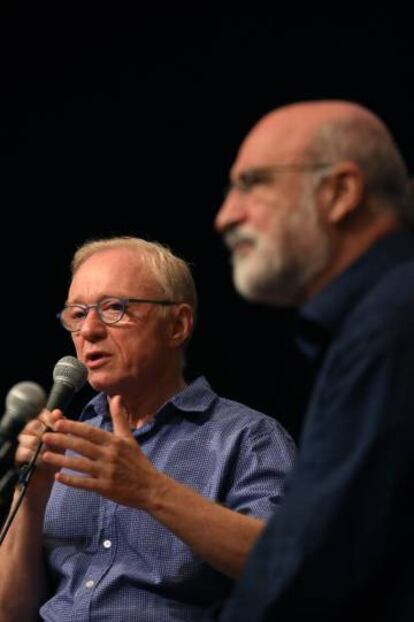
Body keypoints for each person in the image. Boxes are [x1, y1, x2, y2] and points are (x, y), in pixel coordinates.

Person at [0, 237, 294, 622]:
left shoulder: (248, 438)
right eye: (77, 313)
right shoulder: (64, 444)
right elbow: (10, 612)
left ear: (177, 325)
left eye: (113, 309)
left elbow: (285, 569)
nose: (88, 330)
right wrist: (32, 494)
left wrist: (149, 489)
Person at [214, 100, 414, 621]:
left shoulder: (392, 324)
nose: (226, 216)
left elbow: (311, 572)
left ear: (341, 193)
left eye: (252, 183)